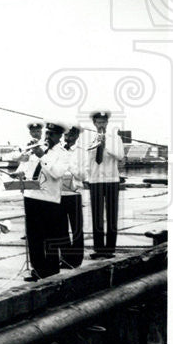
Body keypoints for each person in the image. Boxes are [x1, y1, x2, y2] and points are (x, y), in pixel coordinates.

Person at [21, 120, 71, 281]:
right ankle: (38, 270)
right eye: (47, 133)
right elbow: (29, 170)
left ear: (60, 136)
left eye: (52, 134)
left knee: (50, 238)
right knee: (34, 237)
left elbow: (57, 173)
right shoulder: (39, 148)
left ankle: (52, 272)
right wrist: (23, 165)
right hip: (31, 196)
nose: (48, 136)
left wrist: (43, 156)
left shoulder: (63, 153)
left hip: (49, 199)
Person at [85, 109, 124, 259]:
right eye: (98, 122)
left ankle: (110, 249)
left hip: (111, 180)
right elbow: (87, 161)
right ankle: (99, 249)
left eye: (103, 122)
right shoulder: (88, 139)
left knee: (112, 215)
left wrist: (105, 145)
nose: (101, 124)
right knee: (97, 215)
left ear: (107, 122)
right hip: (95, 180)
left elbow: (120, 156)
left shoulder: (116, 138)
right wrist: (86, 177)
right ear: (94, 123)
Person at [59, 123, 86, 269]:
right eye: (66, 135)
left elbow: (83, 174)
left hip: (74, 193)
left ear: (77, 136)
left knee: (76, 228)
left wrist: (69, 165)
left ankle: (76, 260)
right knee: (61, 228)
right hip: (59, 193)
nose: (68, 138)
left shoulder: (81, 152)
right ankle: (65, 257)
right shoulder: (59, 149)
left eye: (71, 135)